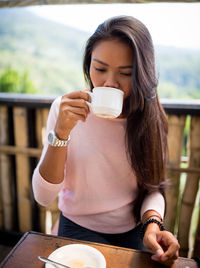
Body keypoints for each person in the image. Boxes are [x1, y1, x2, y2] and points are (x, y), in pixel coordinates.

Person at [32, 15, 180, 266]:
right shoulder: (65, 110)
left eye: (125, 74)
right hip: (77, 226)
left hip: (132, 231)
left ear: (141, 75)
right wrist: (61, 133)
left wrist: (153, 223)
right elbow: (43, 197)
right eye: (99, 69)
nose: (109, 82)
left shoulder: (149, 117)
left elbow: (152, 188)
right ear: (88, 64)